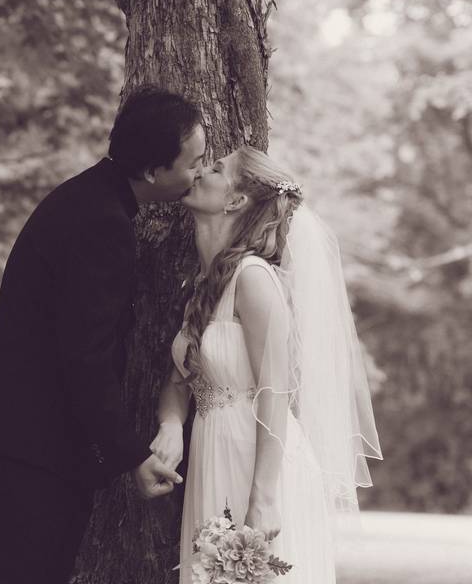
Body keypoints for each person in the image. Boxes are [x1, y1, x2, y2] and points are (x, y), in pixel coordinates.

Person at [0, 87, 206, 584]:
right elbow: (85, 357)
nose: (200, 172)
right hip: (27, 449)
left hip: (21, 441)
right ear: (155, 171)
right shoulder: (101, 225)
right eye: (195, 162)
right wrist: (132, 455)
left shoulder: (89, 198)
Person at [151, 146, 383, 583]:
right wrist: (169, 424)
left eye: (216, 168)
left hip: (260, 463)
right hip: (212, 454)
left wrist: (264, 495)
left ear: (236, 200)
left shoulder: (254, 279)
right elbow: (179, 381)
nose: (202, 170)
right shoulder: (204, 283)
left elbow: (276, 392)